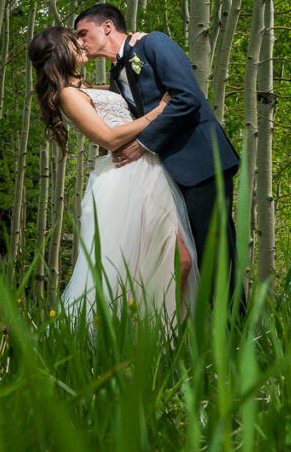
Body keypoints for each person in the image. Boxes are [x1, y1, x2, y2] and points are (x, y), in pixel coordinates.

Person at [73, 3, 242, 309]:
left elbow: (187, 97)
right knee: (195, 260)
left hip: (202, 163)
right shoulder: (116, 74)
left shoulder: (153, 44)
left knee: (216, 255)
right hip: (170, 176)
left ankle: (242, 338)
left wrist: (144, 144)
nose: (80, 41)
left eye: (84, 33)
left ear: (107, 27)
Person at [30, 25, 197, 323]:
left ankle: (160, 339)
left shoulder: (86, 89)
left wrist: (138, 43)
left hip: (148, 172)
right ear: (59, 52)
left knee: (169, 261)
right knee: (151, 264)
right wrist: (158, 112)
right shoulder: (68, 95)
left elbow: (132, 91)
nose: (80, 43)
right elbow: (107, 138)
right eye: (73, 40)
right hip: (123, 179)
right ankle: (146, 337)